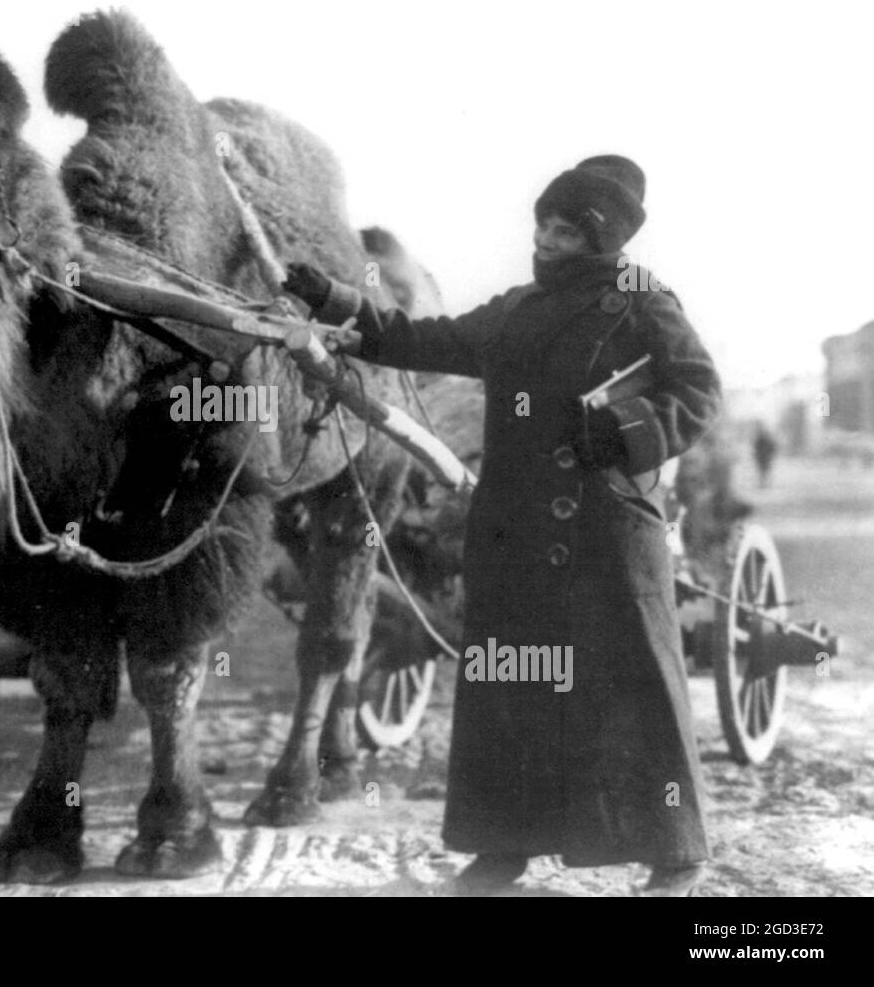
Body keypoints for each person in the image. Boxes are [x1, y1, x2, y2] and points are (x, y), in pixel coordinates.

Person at [284, 155, 721, 896]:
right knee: (509, 691)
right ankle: (503, 846)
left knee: (626, 692)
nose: (545, 241)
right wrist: (331, 299)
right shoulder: (517, 308)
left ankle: (672, 850)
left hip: (606, 536)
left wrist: (622, 431)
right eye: (541, 225)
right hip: (513, 535)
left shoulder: (641, 298)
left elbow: (698, 389)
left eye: (563, 231)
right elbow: (422, 339)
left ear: (602, 239)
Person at [752, 423, 779, 488]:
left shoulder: (764, 440)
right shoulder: (761, 440)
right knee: (763, 471)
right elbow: (756, 448)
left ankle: (765, 484)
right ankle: (764, 483)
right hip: (763, 458)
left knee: (764, 471)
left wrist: (771, 455)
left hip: (764, 458)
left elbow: (773, 448)